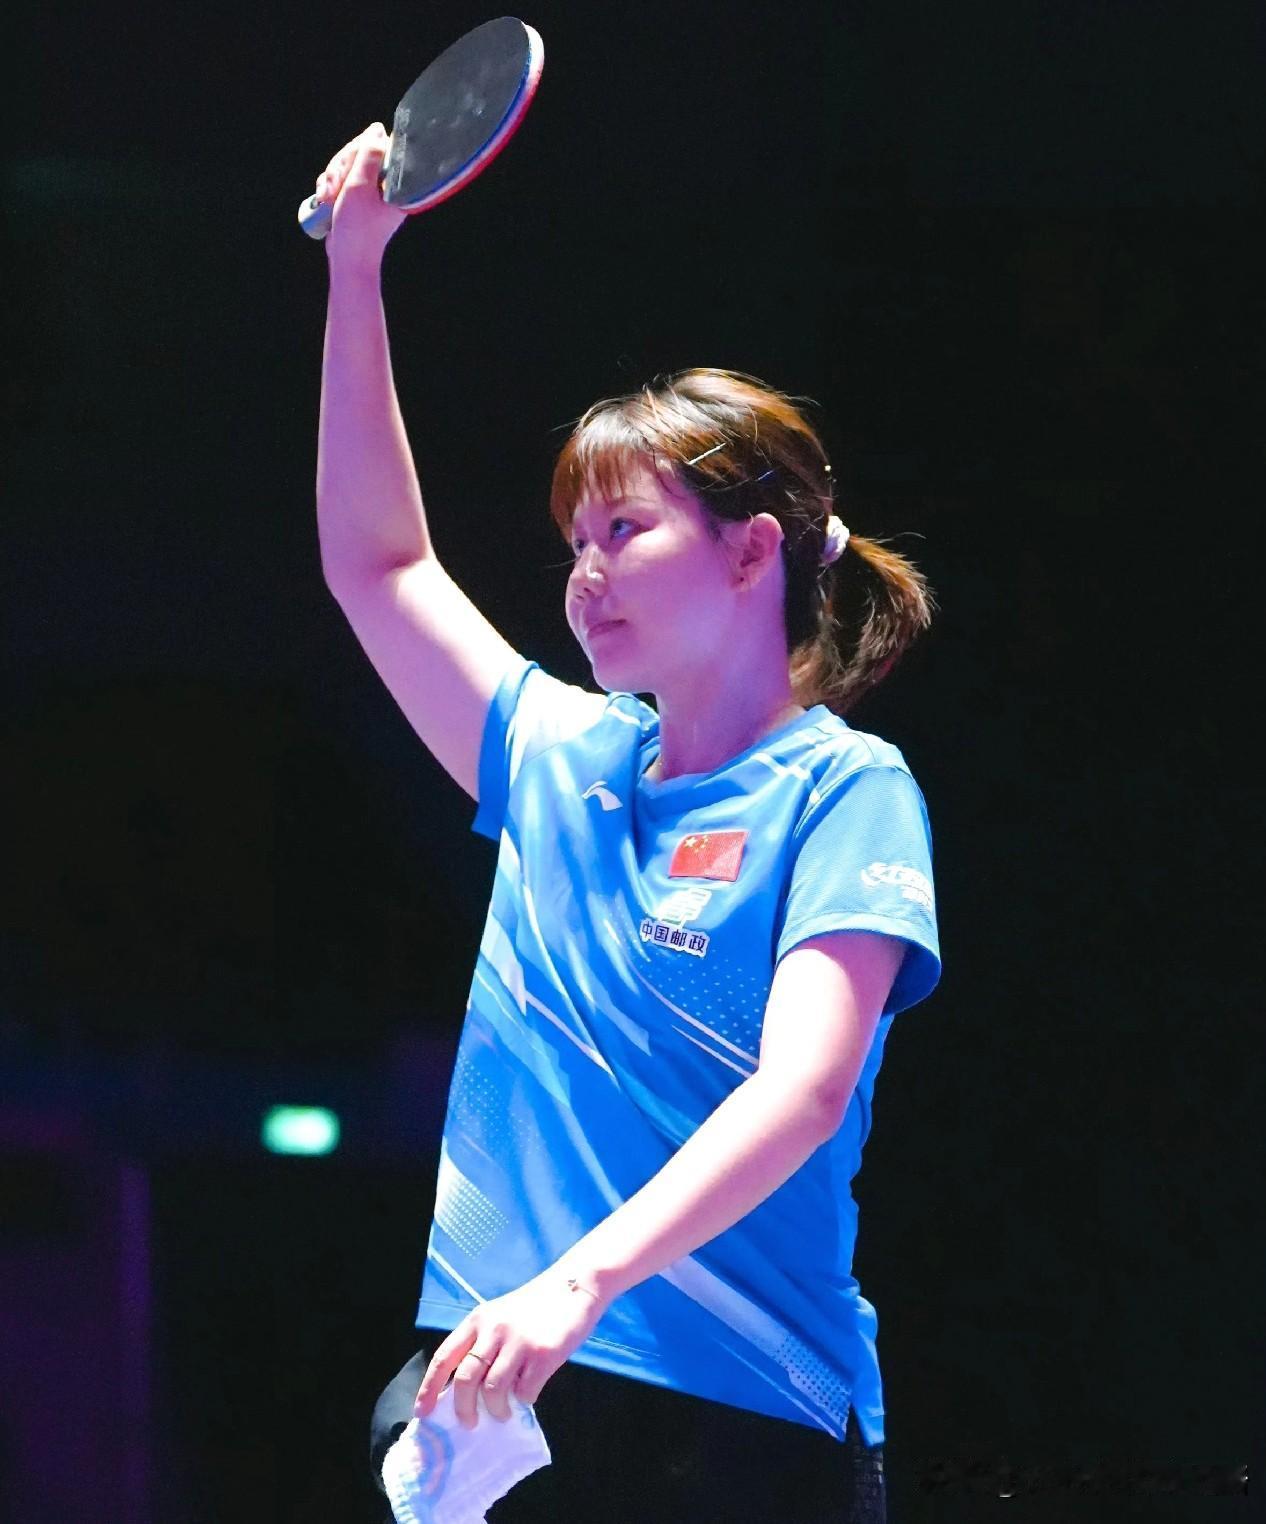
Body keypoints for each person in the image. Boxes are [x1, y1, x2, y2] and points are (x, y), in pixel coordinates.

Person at [315, 125, 942, 1523]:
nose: (583, 575)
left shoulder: (845, 792)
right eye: (574, 544)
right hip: (507, 1389)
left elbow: (804, 1088)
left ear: (751, 551)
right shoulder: (553, 755)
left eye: (624, 534)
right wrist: (358, 273)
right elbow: (378, 562)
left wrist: (581, 1283)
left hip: (737, 1412)